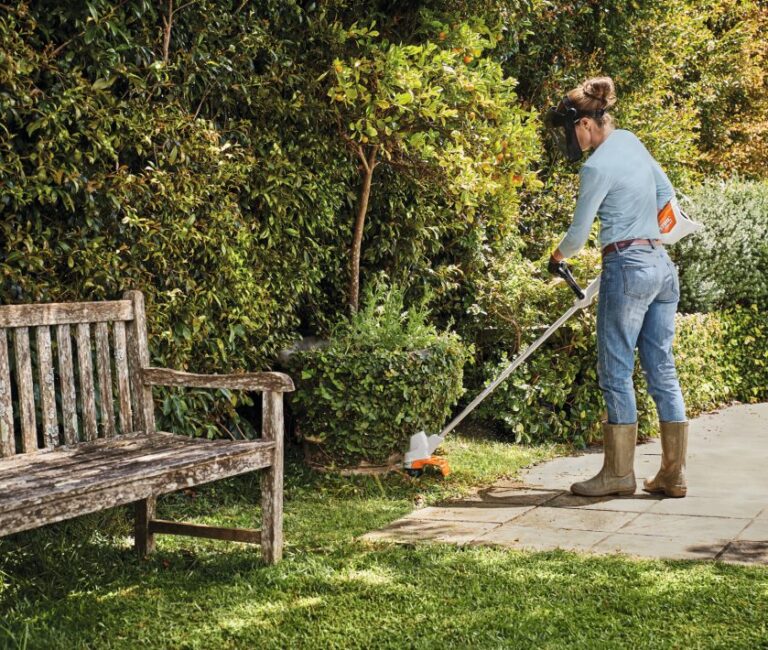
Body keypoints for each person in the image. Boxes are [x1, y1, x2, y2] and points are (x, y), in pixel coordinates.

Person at [544, 76, 688, 498]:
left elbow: (577, 233)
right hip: (661, 264)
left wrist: (557, 258)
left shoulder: (596, 166)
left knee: (616, 369)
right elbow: (666, 193)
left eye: (571, 131)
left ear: (585, 124)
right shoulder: (630, 140)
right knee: (661, 366)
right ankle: (672, 475)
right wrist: (646, 230)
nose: (572, 140)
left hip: (626, 266)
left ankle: (618, 475)